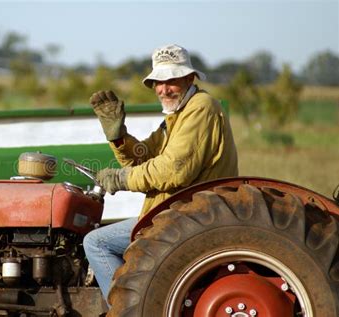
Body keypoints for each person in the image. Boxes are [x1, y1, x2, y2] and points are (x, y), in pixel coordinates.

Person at [83, 44, 238, 304]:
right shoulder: (176, 116)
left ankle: (126, 310)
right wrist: (118, 137)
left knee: (96, 243)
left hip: (191, 216)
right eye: (158, 82)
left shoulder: (201, 108)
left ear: (189, 78)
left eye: (171, 80)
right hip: (176, 213)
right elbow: (145, 155)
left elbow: (172, 169)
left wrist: (120, 179)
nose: (163, 89)